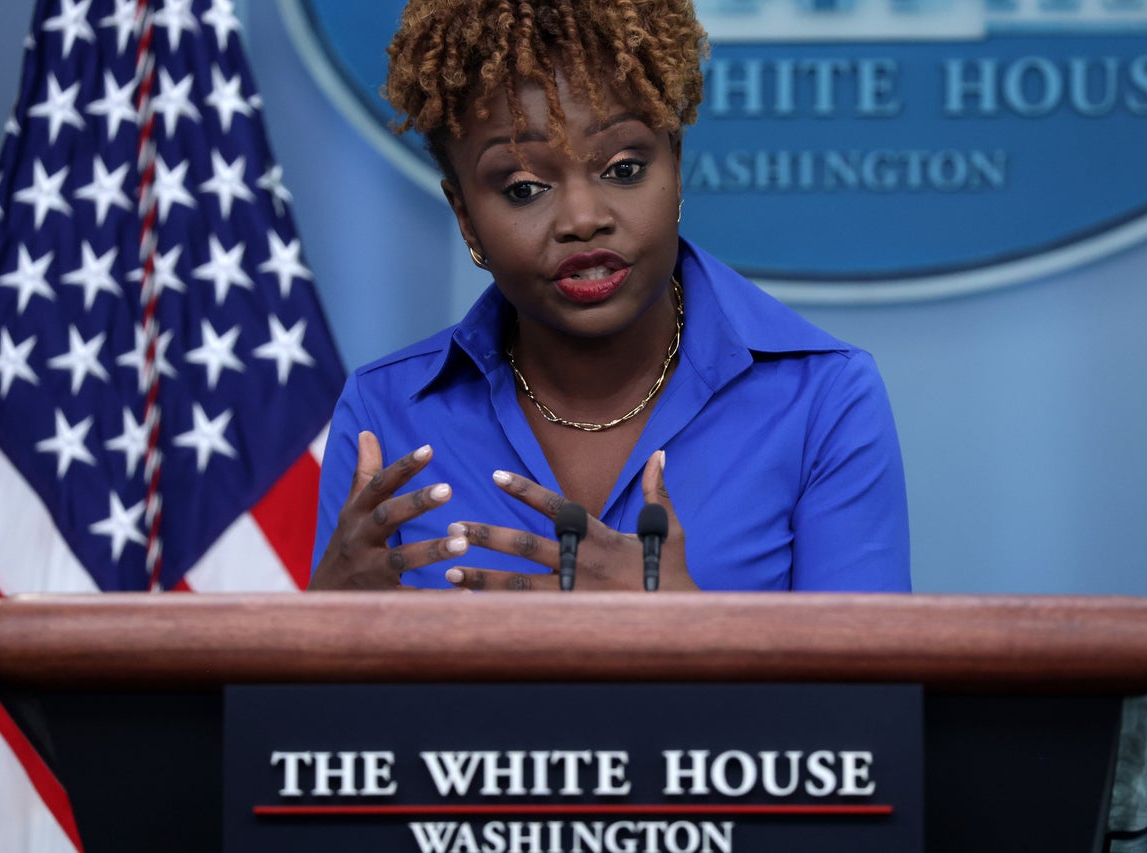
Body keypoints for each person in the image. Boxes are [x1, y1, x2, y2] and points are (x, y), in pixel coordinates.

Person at [309, 0, 910, 592]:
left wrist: (690, 637)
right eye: (523, 188)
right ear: (465, 216)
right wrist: (325, 633)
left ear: (675, 165)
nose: (582, 218)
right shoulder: (384, 413)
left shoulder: (823, 398)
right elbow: (318, 690)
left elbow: (870, 693)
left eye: (623, 169)